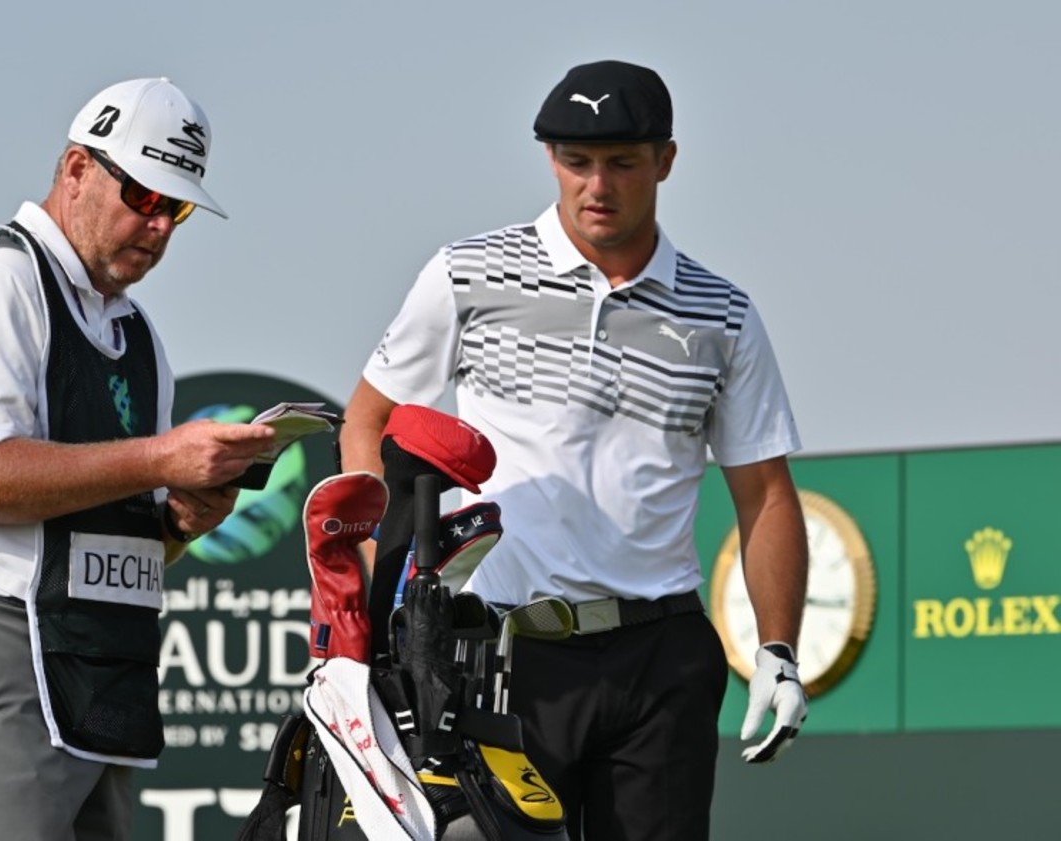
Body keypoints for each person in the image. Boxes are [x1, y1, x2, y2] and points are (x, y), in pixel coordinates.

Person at [340, 59, 810, 840]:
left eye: (622, 163)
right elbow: (367, 421)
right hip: (499, 650)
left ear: (666, 161)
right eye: (575, 161)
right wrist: (363, 591)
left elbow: (765, 492)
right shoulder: (468, 273)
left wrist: (779, 649)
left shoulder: (722, 315)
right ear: (549, 159)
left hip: (661, 657)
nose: (597, 185)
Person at [0, 77, 278, 841]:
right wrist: (161, 457)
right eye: (143, 195)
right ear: (76, 170)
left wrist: (183, 518)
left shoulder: (137, 336)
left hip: (91, 664)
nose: (157, 226)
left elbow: (125, 538)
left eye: (176, 208)